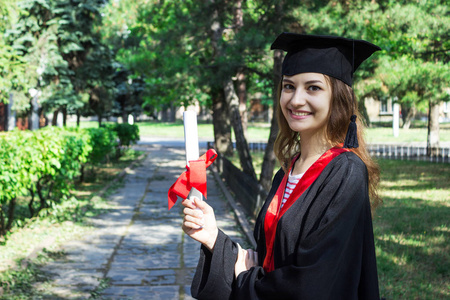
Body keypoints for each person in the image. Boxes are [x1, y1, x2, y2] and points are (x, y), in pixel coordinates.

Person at [181, 32, 382, 300]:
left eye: (313, 88)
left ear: (339, 98)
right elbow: (265, 260)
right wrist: (212, 237)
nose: (296, 99)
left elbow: (314, 284)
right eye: (289, 86)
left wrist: (246, 280)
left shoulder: (345, 171)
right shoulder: (288, 171)